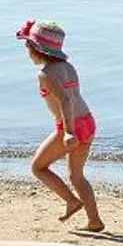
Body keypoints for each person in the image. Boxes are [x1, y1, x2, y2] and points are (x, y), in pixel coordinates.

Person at [20, 18, 103, 232]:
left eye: (28, 46)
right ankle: (94, 220)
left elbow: (65, 101)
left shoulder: (45, 75)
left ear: (36, 49)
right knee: (77, 175)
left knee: (38, 167)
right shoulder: (68, 67)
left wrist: (67, 132)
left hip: (70, 126)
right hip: (87, 121)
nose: (27, 51)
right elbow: (74, 96)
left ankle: (72, 201)